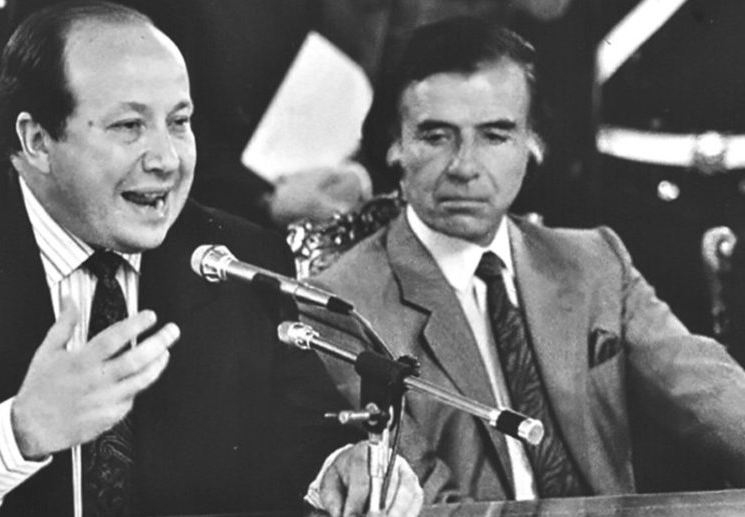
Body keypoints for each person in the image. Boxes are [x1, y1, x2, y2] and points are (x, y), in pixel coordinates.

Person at [0, 2, 423, 516]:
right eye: (129, 126)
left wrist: (341, 466)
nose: (166, 159)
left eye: (179, 123)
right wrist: (18, 434)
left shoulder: (238, 258)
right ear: (37, 141)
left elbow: (299, 433)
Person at [300, 17, 745, 504]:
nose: (465, 166)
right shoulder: (341, 306)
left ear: (532, 143)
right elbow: (422, 504)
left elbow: (711, 395)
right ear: (394, 145)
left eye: (495, 135)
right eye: (436, 136)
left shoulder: (595, 260)